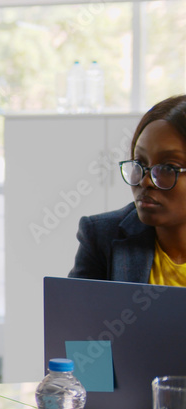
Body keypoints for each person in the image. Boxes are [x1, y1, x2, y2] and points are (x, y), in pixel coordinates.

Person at [69, 94, 186, 286]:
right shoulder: (101, 236)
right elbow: (76, 314)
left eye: (167, 168)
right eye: (140, 163)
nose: (146, 181)